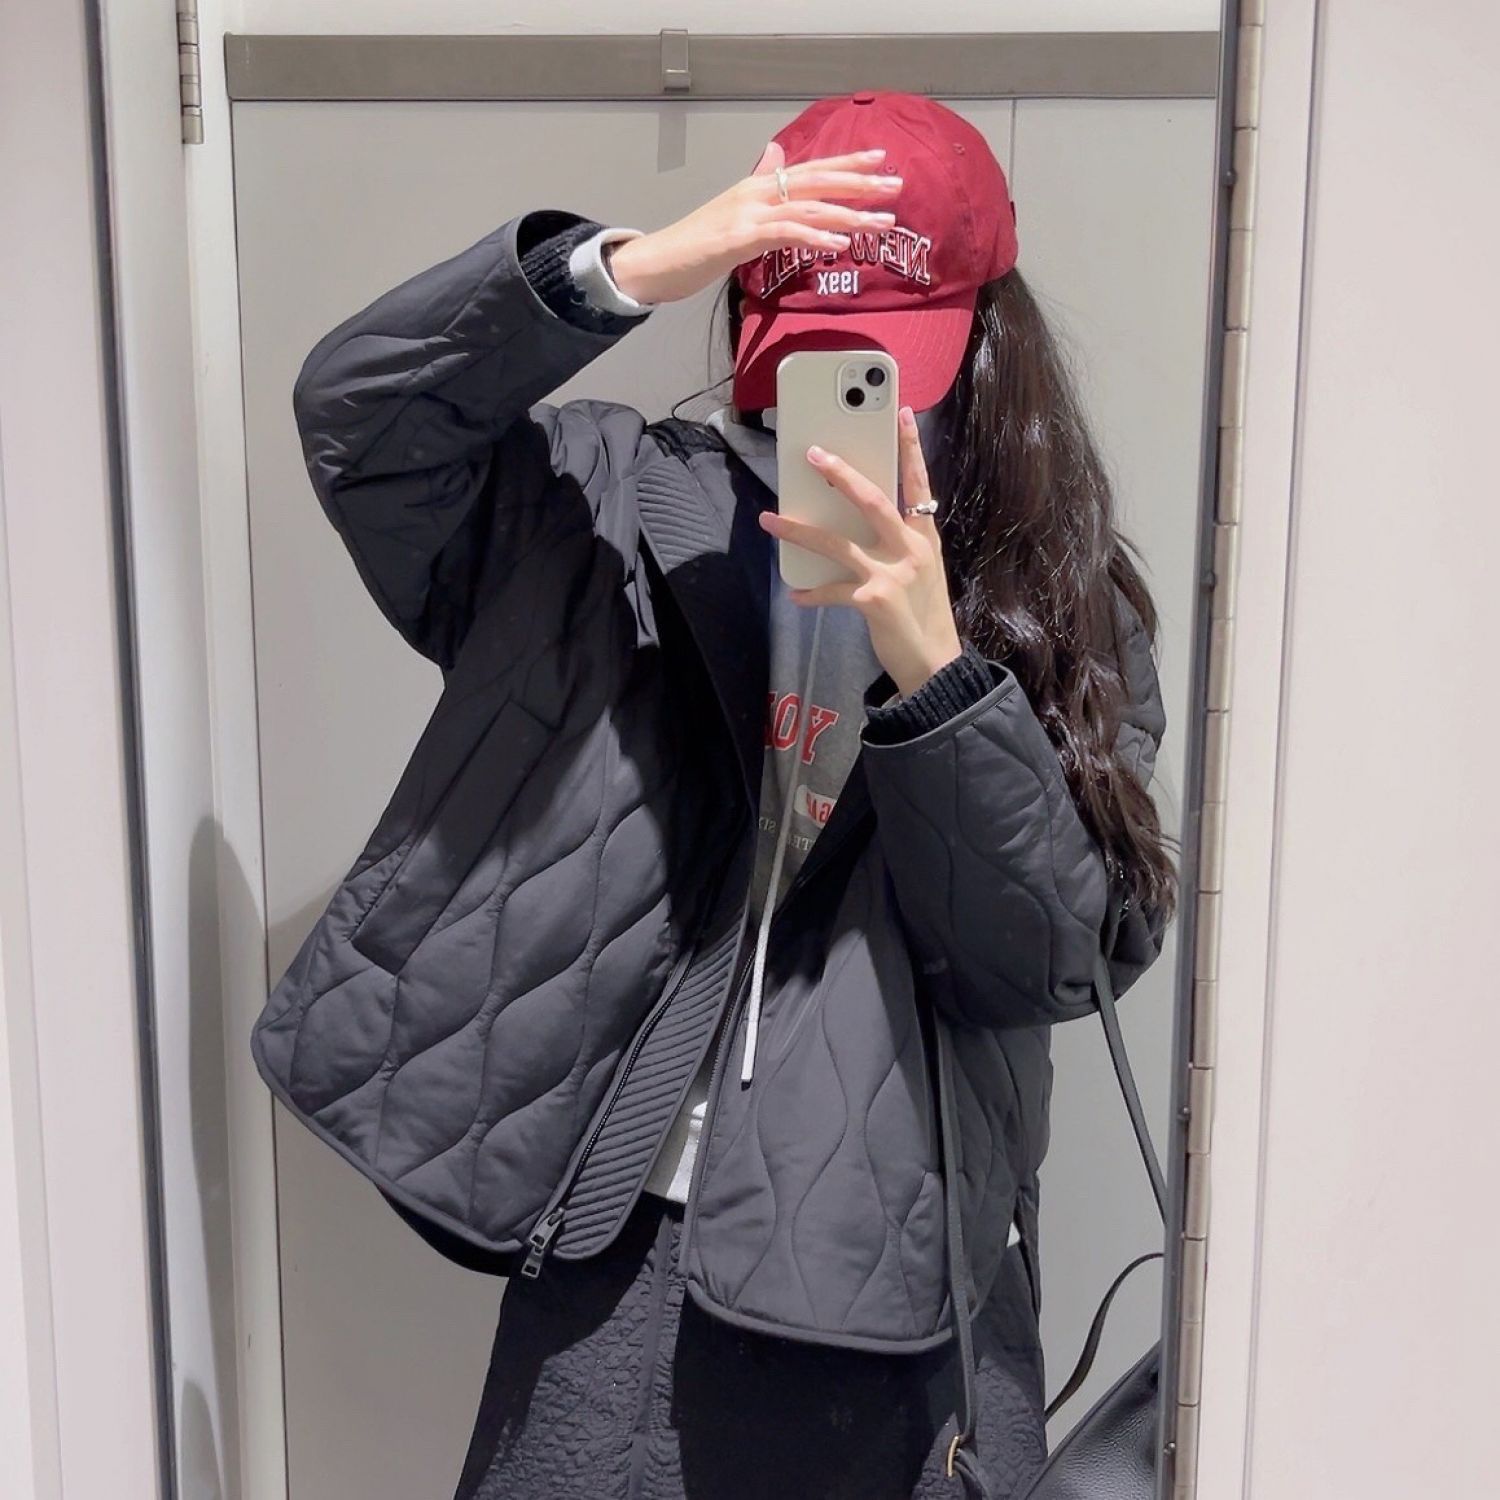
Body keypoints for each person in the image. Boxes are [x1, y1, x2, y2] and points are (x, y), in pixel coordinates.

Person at [250, 91, 1176, 1500]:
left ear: (988, 339)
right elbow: (362, 425)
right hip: (618, 1259)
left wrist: (938, 674)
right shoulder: (608, 506)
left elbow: (1049, 960)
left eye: (890, 359)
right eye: (812, 356)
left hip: (902, 1289)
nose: (845, 399)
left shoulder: (1062, 610)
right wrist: (620, 271)